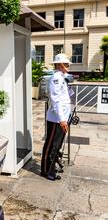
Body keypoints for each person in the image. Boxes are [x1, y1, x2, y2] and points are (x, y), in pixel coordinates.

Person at [41, 53, 73, 181]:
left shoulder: (61, 77)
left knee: (56, 145)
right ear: (59, 65)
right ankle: (46, 170)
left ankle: (51, 167)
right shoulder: (56, 78)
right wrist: (62, 119)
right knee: (51, 145)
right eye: (65, 64)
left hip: (61, 118)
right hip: (56, 119)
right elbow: (56, 100)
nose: (67, 66)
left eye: (67, 64)